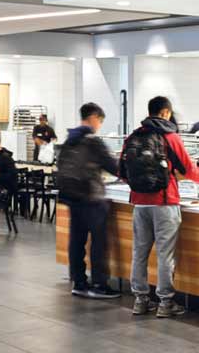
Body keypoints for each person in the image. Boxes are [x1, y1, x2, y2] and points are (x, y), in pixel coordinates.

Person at [121, 96, 199, 318]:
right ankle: (165, 303)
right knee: (165, 254)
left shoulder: (132, 136)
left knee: (139, 252)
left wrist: (141, 186)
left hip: (139, 203)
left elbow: (122, 172)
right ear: (165, 113)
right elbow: (189, 169)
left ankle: (140, 300)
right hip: (164, 201)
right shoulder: (170, 137)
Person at [57, 103, 120, 299]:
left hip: (72, 196)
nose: (99, 125)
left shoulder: (70, 139)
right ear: (93, 117)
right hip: (91, 197)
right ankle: (100, 284)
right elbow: (113, 167)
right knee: (99, 242)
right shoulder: (93, 141)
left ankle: (79, 282)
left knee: (76, 240)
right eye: (100, 121)